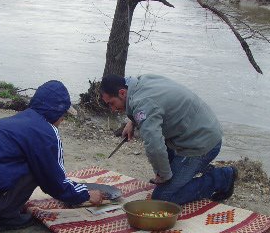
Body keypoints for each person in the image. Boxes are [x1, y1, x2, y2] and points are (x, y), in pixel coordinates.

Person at [0, 80, 104, 232]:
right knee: (37, 167)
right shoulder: (46, 132)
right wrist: (85, 194)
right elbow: (54, 183)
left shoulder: (19, 119)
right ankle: (4, 218)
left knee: (5, 163)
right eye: (63, 114)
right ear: (57, 112)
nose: (63, 119)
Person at [100, 73, 237, 205]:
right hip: (197, 129)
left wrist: (163, 175)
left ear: (123, 93)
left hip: (201, 143)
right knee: (169, 171)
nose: (112, 109)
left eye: (112, 103)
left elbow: (154, 146)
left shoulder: (143, 104)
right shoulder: (139, 82)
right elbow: (150, 105)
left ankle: (223, 177)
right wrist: (132, 121)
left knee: (163, 197)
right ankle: (196, 169)